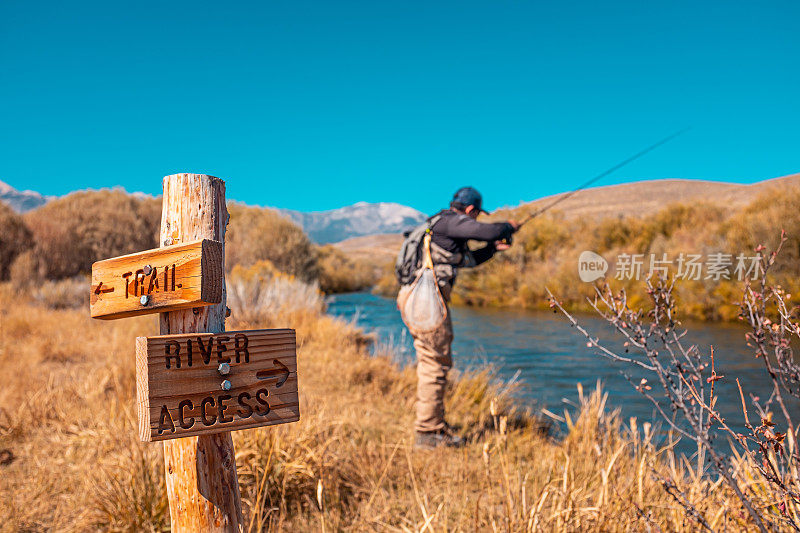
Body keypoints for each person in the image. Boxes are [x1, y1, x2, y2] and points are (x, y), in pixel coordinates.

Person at [397, 186, 518, 449]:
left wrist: (493, 249)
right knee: (434, 364)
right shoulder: (451, 222)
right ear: (471, 210)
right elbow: (487, 231)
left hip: (417, 298)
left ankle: (433, 424)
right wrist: (507, 226)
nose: (474, 221)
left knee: (433, 362)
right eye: (475, 216)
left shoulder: (439, 228)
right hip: (425, 302)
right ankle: (428, 433)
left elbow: (469, 260)